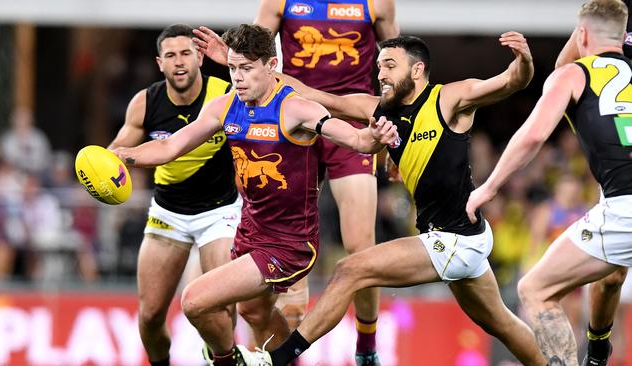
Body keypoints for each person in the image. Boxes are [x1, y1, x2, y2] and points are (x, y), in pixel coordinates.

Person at [235, 31, 548, 366]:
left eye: (389, 65)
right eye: (379, 66)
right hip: (458, 237)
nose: (381, 74)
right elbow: (317, 96)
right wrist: (253, 69)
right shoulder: (378, 110)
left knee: (350, 269)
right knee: (501, 323)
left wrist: (524, 61)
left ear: (417, 70)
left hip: (455, 239)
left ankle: (277, 359)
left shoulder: (450, 98)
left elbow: (512, 81)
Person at [112, 23, 398, 366]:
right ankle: (282, 361)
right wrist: (121, 156)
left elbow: (356, 140)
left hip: (289, 244)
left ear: (271, 66)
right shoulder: (224, 107)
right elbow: (170, 147)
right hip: (250, 233)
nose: (238, 78)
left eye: (246, 69)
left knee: (194, 300)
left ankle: (226, 360)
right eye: (233, 68)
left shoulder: (297, 109)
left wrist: (377, 136)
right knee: (253, 311)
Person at [196, 3, 399, 363]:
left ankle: (366, 346)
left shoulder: (375, 4)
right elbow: (255, 47)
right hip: (289, 118)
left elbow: (398, 71)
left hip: (346, 121)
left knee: (360, 247)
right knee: (268, 295)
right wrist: (228, 57)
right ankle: (280, 354)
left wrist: (400, 143)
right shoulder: (280, 2)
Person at [465, 0, 632, 364]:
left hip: (625, 208)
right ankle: (599, 349)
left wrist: (489, 187)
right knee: (611, 273)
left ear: (582, 34)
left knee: (535, 288)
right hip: (616, 211)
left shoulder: (572, 75)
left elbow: (532, 136)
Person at [107, 24, 242, 366]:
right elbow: (115, 156)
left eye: (185, 53)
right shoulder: (145, 102)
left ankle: (224, 360)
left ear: (199, 57)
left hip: (220, 213)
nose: (179, 62)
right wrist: (98, 174)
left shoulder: (226, 94)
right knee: (150, 316)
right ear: (159, 63)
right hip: (168, 212)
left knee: (221, 307)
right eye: (170, 56)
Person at [554, 1, 632, 363]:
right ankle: (598, 348)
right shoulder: (611, 8)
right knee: (611, 277)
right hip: (620, 160)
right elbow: (564, 69)